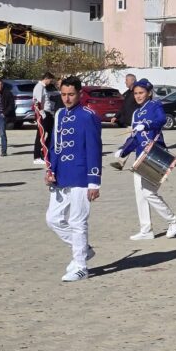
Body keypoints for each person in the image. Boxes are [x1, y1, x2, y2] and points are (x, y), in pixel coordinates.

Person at [44, 76, 100, 282]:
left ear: (80, 93)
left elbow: (94, 149)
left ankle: (81, 266)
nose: (67, 99)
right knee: (53, 219)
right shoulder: (59, 114)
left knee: (77, 221)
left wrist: (94, 181)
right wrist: (50, 169)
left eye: (71, 94)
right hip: (61, 175)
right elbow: (54, 145)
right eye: (64, 94)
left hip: (81, 175)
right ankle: (84, 249)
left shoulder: (88, 116)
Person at [113, 79, 176, 240]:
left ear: (149, 93)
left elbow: (161, 120)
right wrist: (123, 150)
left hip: (155, 154)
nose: (138, 96)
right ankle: (146, 230)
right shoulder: (136, 113)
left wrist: (147, 125)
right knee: (140, 195)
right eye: (135, 93)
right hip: (140, 156)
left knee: (148, 193)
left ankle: (173, 221)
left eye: (141, 93)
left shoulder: (155, 105)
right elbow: (135, 138)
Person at [32, 72, 57, 165]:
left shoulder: (43, 87)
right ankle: (37, 157)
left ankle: (45, 152)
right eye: (50, 80)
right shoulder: (39, 87)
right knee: (40, 135)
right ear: (46, 78)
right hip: (43, 114)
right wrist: (42, 114)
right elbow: (37, 102)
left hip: (48, 113)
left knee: (52, 133)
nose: (50, 82)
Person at [0, 78, 15, 156]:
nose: (0, 87)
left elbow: (11, 105)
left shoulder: (7, 93)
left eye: (1, 85)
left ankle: (3, 151)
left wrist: (4, 113)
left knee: (2, 134)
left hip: (1, 116)